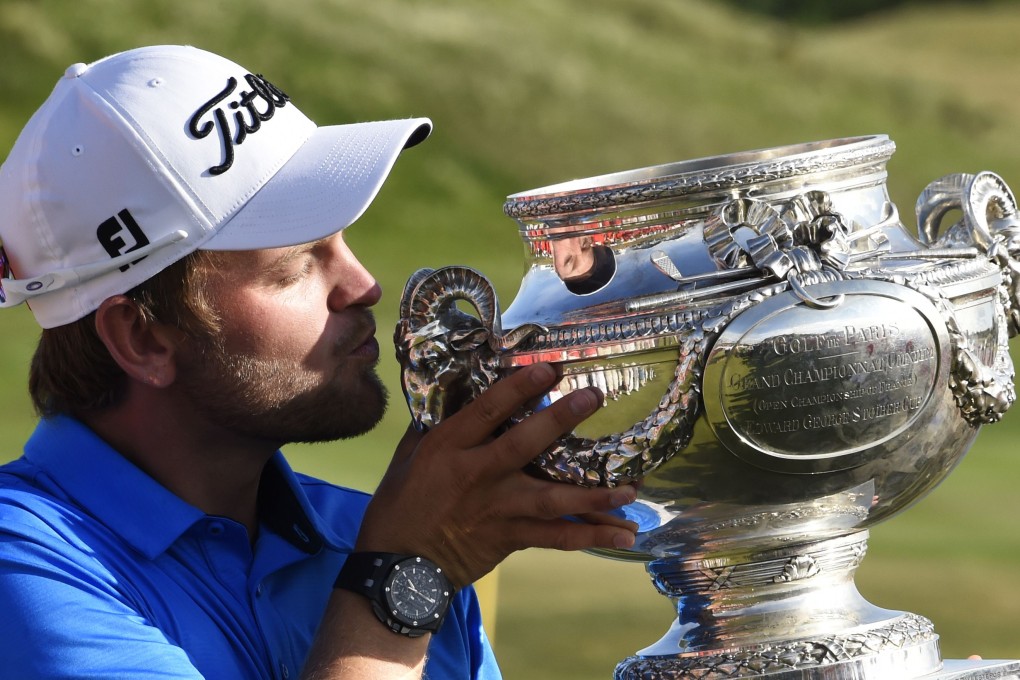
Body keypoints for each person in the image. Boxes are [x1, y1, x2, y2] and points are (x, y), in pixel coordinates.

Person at [0, 45, 638, 679]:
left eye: (341, 241)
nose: (364, 285)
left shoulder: (370, 532)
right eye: (296, 265)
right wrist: (402, 576)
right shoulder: (25, 569)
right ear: (144, 339)